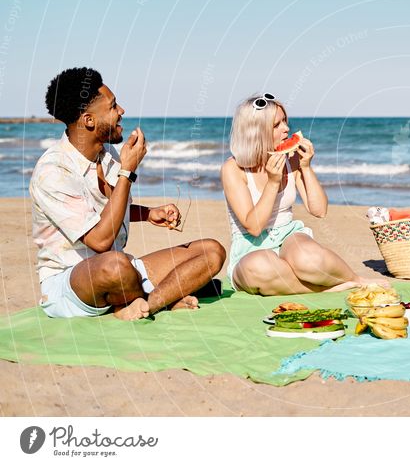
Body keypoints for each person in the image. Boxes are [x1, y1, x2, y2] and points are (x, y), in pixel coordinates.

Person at [30, 67, 226, 321]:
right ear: (88, 120)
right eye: (112, 107)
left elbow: (105, 211)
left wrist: (148, 214)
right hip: (70, 281)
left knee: (211, 250)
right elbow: (100, 240)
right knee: (114, 265)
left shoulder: (107, 154)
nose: (121, 111)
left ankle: (148, 303)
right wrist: (127, 172)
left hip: (123, 269)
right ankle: (154, 297)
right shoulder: (52, 172)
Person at [221, 93, 374, 295]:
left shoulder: (290, 159)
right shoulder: (233, 169)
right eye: (277, 125)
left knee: (309, 259)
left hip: (289, 236)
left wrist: (306, 167)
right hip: (250, 248)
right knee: (259, 267)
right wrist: (273, 182)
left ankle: (356, 279)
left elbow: (319, 210)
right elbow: (254, 226)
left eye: (285, 121)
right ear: (256, 131)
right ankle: (326, 288)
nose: (286, 128)